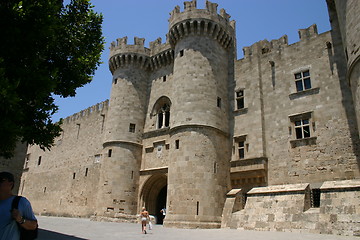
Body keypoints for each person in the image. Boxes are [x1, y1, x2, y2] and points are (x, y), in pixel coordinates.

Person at [0, 172, 37, 240]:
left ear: (11, 184)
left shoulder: (21, 202)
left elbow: (33, 225)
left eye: (1, 180)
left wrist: (21, 220)